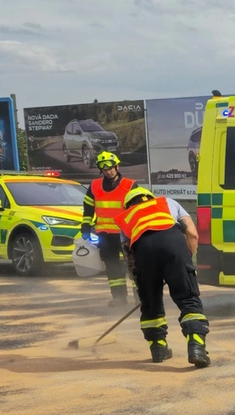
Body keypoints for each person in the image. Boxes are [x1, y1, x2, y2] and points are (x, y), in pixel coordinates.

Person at [114, 187, 211, 367]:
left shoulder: (126, 217)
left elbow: (129, 255)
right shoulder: (168, 202)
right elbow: (192, 233)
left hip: (143, 251)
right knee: (188, 298)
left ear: (128, 205)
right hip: (173, 244)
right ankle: (196, 347)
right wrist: (184, 263)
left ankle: (158, 349)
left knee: (151, 304)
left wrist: (143, 285)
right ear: (150, 197)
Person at [80, 151, 135, 306]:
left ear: (117, 166)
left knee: (134, 267)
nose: (108, 171)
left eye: (111, 168)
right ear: (100, 170)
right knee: (112, 268)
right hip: (105, 235)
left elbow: (138, 210)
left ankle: (140, 298)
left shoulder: (130, 185)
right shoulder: (95, 186)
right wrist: (85, 225)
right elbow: (88, 208)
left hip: (126, 235)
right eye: (104, 169)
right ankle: (119, 298)